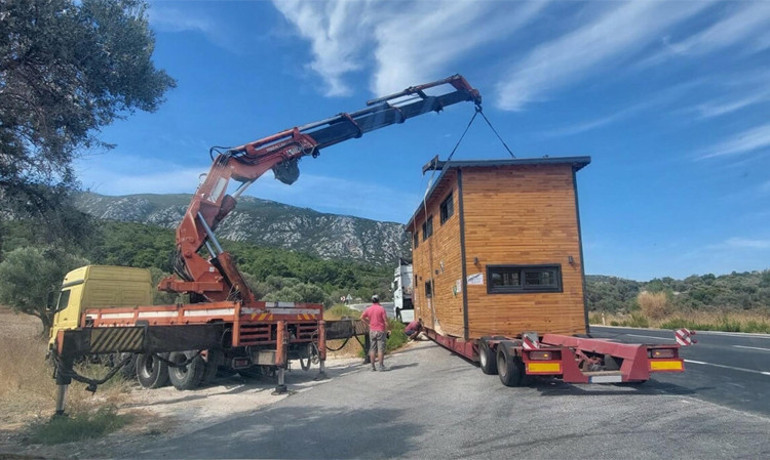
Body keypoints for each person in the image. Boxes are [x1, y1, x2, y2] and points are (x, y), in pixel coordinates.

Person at [360, 294, 389, 371]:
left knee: (372, 348)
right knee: (380, 349)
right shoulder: (381, 309)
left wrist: (368, 324)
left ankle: (372, 366)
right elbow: (385, 321)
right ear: (379, 300)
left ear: (372, 301)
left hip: (372, 330)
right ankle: (381, 366)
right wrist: (388, 329)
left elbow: (361, 318)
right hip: (380, 330)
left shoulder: (368, 309)